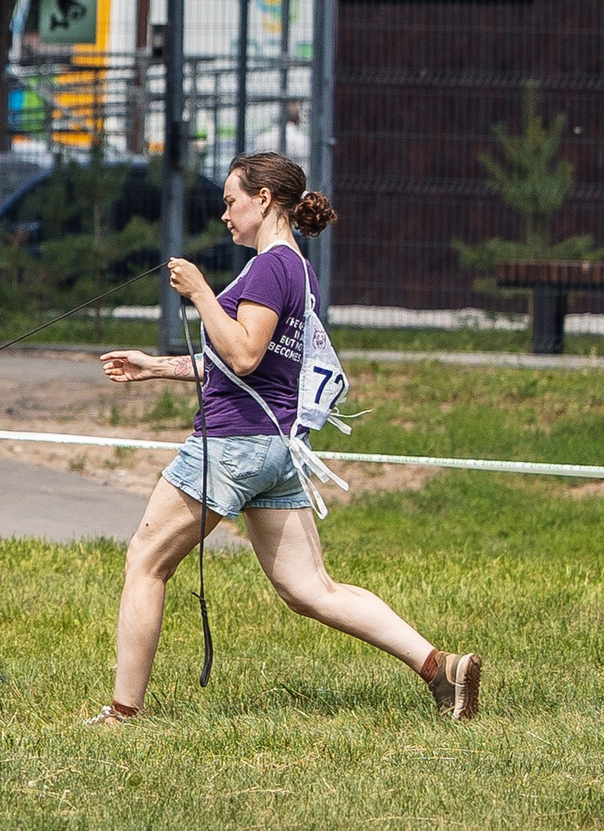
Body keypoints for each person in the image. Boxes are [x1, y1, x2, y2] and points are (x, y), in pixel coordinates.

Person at [87, 152, 481, 723]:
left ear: (264, 199)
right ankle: (441, 668)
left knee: (146, 562)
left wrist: (199, 291)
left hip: (232, 446)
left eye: (231, 201)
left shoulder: (271, 268)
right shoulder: (297, 269)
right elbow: (240, 360)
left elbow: (244, 355)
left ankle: (123, 713)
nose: (225, 213)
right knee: (310, 589)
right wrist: (155, 366)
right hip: (274, 451)